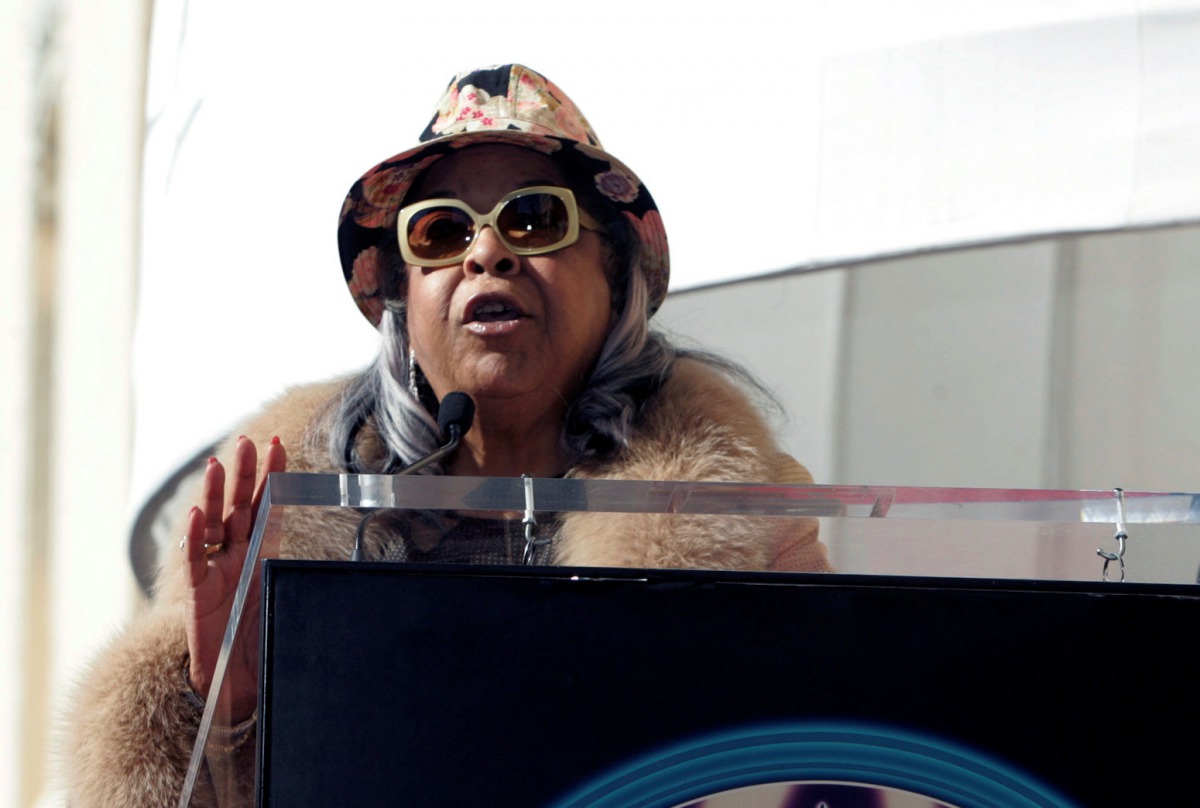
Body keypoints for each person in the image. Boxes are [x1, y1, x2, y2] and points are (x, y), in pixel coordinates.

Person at [64, 64, 830, 806]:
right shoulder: (278, 513)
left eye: (535, 219)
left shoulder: (743, 510)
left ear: (615, 272)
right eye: (440, 233)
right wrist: (232, 709)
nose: (486, 253)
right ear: (404, 297)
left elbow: (816, 764)